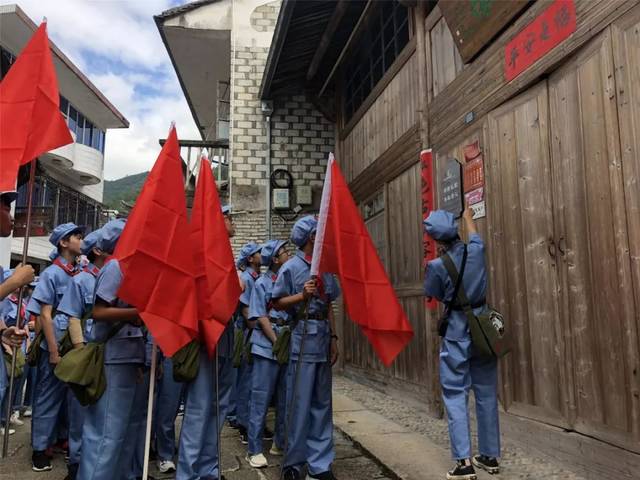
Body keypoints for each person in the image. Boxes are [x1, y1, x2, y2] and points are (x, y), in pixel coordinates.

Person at [423, 207, 500, 479]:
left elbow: (432, 293)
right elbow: (476, 237)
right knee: (487, 392)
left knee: (455, 393)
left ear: (435, 240)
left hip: (457, 331)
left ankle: (464, 463)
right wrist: (468, 219)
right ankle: (490, 457)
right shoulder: (476, 250)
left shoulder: (436, 266)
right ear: (456, 230)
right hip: (483, 328)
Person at [77, 219, 147, 480]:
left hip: (128, 358)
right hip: (112, 359)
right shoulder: (116, 267)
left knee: (124, 432)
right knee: (106, 434)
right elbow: (99, 311)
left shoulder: (132, 269)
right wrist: (137, 312)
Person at [272, 216, 340, 480]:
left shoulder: (326, 267)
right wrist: (301, 295)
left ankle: (320, 464)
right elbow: (276, 303)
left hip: (322, 339)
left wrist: (334, 338)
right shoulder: (291, 267)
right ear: (312, 237)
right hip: (302, 338)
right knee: (298, 403)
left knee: (322, 403)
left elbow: (329, 304)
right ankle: (293, 462)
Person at [176, 204, 236, 480]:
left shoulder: (226, 256)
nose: (232, 221)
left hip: (224, 339)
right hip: (203, 342)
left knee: (218, 408)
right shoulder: (198, 255)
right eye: (227, 216)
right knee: (199, 411)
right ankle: (187, 474)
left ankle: (209, 470)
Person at [26, 222, 84, 472]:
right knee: (48, 395)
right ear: (63, 243)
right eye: (76, 237)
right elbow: (44, 316)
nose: (81, 240)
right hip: (56, 343)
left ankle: (64, 440)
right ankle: (40, 448)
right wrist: (52, 350)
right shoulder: (51, 274)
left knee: (72, 398)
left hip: (75, 345)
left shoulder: (78, 273)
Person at [54, 228, 108, 480]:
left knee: (105, 415)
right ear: (98, 250)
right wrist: (81, 353)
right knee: (80, 414)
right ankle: (76, 465)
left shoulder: (115, 276)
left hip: (109, 353)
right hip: (87, 353)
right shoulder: (81, 280)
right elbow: (73, 317)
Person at [246, 239, 290, 468]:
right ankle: (253, 449)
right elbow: (260, 317)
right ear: (274, 259)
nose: (288, 254)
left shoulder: (288, 280)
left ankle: (279, 442)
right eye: (284, 252)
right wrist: (276, 342)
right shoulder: (262, 283)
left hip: (285, 344)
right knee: (260, 398)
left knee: (285, 397)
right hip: (266, 347)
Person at [234, 241, 264, 445]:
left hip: (256, 332)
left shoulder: (256, 277)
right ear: (250, 259)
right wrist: (260, 331)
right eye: (258, 253)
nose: (262, 254)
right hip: (248, 334)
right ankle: (243, 423)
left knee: (254, 380)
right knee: (247, 381)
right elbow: (246, 311)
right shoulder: (246, 278)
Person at [154, 350, 184, 474]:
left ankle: (185, 452)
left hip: (195, 352)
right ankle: (164, 454)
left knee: (195, 412)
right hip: (172, 352)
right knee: (168, 406)